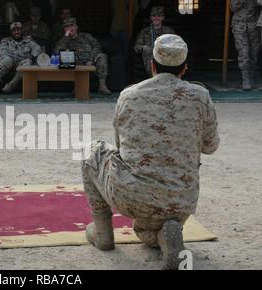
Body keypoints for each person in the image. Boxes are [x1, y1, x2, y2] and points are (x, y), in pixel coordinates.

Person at [81, 34, 220, 270]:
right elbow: (210, 146)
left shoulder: (130, 95)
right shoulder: (201, 97)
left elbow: (122, 148)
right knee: (149, 228)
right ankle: (163, 236)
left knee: (90, 152)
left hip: (133, 197)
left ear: (152, 65)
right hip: (181, 201)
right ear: (184, 68)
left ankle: (103, 234)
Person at [55, 18, 112, 95]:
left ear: (76, 27)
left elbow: (97, 46)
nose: (69, 28)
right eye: (66, 27)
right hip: (77, 61)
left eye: (72, 26)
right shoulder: (64, 40)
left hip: (91, 59)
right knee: (69, 59)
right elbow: (57, 51)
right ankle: (78, 86)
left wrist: (91, 59)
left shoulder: (86, 36)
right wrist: (66, 37)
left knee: (102, 56)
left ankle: (102, 86)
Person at [0, 22, 42, 95]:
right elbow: (2, 53)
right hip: (8, 62)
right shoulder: (6, 41)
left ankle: (10, 86)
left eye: (18, 30)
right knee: (8, 60)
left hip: (21, 63)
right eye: (14, 30)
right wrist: (11, 59)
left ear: (22, 31)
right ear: (11, 32)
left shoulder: (28, 40)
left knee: (28, 62)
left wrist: (33, 55)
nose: (16, 32)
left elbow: (37, 48)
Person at [134, 6, 175, 78]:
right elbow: (137, 47)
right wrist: (145, 48)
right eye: (154, 16)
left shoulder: (169, 31)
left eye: (159, 16)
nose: (156, 18)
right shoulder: (144, 32)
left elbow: (176, 44)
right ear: (151, 18)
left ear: (163, 18)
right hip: (150, 60)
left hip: (165, 58)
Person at [232, 0, 260, 90]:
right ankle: (246, 80)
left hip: (254, 25)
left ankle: (252, 78)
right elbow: (233, 7)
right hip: (240, 25)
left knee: (254, 53)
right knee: (243, 53)